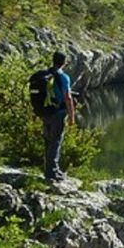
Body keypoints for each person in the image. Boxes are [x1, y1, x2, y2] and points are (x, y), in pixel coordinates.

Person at [41, 51, 76, 181]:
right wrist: (72, 116)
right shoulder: (63, 77)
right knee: (56, 141)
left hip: (45, 112)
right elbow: (68, 97)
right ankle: (52, 172)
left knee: (48, 141)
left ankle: (48, 169)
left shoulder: (45, 75)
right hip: (58, 113)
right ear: (64, 63)